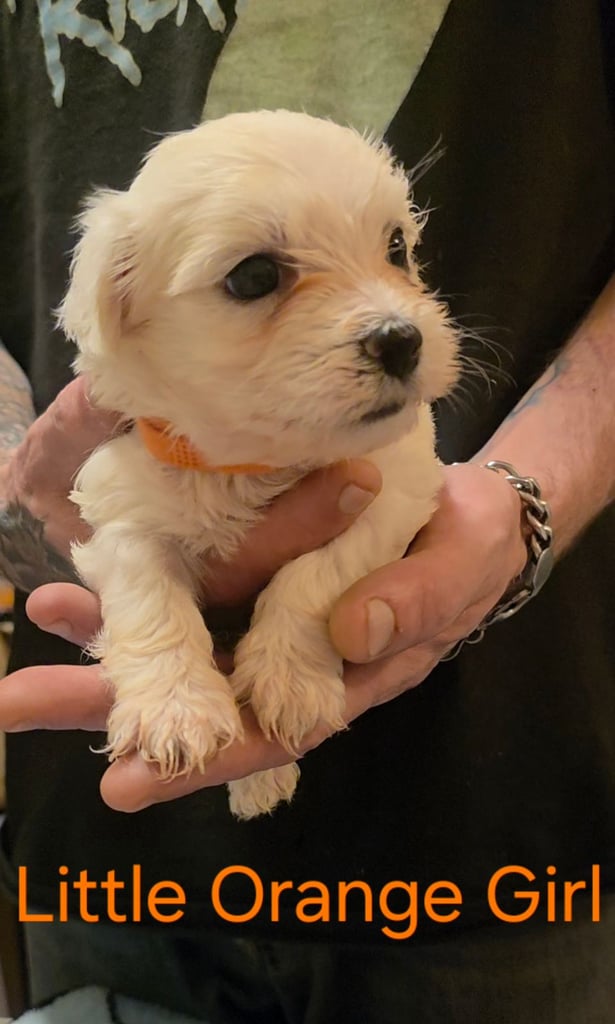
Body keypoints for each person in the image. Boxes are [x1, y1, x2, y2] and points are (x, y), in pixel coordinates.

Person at [1, 1, 614, 1021]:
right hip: (117, 855)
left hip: (494, 833)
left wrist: (303, 615)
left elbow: (404, 492)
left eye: (395, 249)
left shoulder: (390, 444)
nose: (389, 316)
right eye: (259, 277)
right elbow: (126, 537)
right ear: (120, 307)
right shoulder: (128, 440)